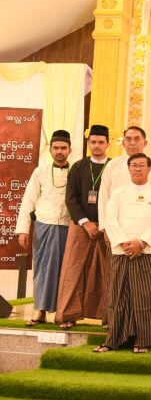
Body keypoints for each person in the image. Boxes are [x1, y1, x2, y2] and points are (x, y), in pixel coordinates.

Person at [94, 153, 151, 353]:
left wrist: (141, 243)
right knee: (118, 296)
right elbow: (110, 220)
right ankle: (114, 340)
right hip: (121, 251)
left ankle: (142, 341)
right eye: (134, 165)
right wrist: (124, 243)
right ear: (128, 169)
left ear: (149, 169)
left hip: (147, 251)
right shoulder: (118, 193)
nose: (137, 168)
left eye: (142, 165)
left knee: (145, 296)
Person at [16, 130, 72, 326]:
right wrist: (23, 229)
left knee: (65, 271)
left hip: (68, 227)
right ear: (50, 150)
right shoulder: (40, 172)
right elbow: (28, 200)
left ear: (70, 150)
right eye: (56, 148)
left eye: (63, 148)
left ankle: (63, 313)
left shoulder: (76, 172)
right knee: (42, 268)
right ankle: (39, 310)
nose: (59, 151)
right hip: (43, 226)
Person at [57, 125, 111, 329]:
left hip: (107, 228)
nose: (96, 146)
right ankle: (68, 315)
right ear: (88, 143)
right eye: (93, 142)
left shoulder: (114, 167)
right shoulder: (78, 167)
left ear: (108, 144)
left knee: (108, 272)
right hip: (80, 226)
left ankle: (108, 316)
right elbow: (70, 198)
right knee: (72, 270)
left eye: (100, 142)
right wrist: (85, 222)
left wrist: (105, 224)